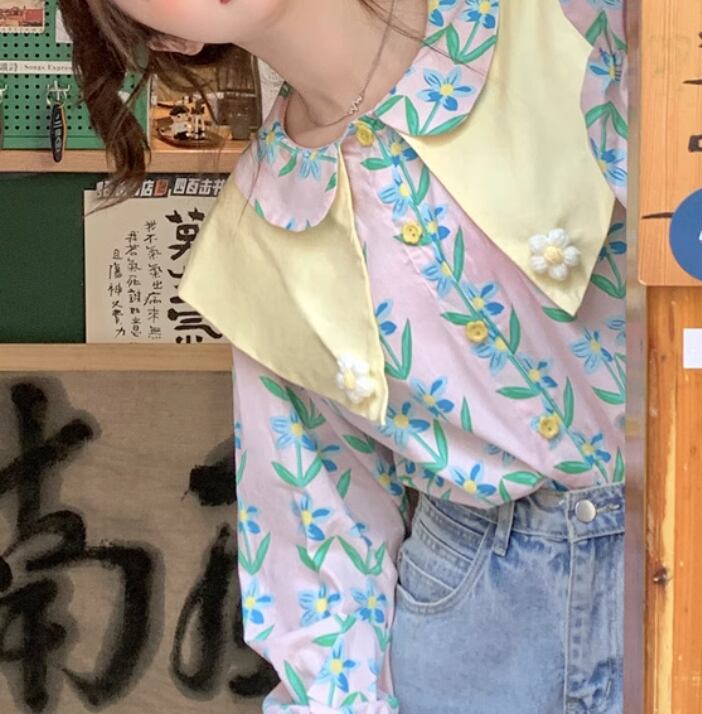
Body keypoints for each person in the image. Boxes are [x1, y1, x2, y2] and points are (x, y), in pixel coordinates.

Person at [59, 1, 628, 712]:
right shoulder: (257, 239)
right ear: (169, 38)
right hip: (483, 615)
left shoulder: (553, 18)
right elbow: (320, 531)